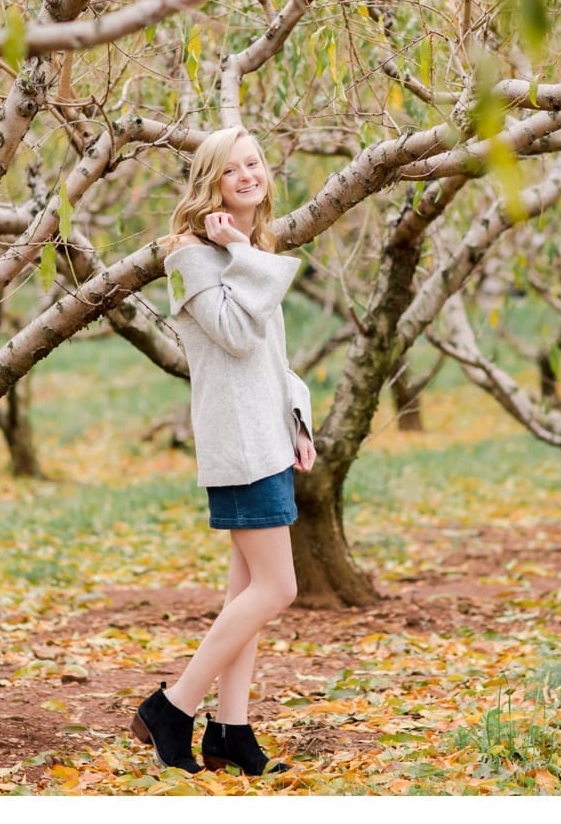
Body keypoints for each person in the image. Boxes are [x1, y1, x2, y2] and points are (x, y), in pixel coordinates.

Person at [130, 126, 316, 776]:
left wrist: (299, 421)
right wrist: (239, 250)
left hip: (268, 436)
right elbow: (237, 336)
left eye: (254, 162)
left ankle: (231, 732)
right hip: (238, 445)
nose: (247, 174)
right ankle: (172, 707)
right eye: (231, 168)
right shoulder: (191, 257)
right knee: (277, 587)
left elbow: (272, 357)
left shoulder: (247, 249)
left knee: (247, 593)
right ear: (210, 185)